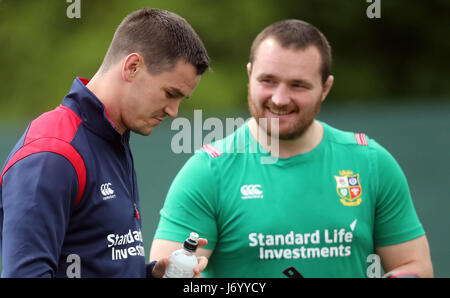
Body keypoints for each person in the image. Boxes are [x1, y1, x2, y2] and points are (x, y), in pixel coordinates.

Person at [150, 19, 433, 278]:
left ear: (325, 88)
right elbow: (165, 272)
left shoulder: (370, 162)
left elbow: (413, 266)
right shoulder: (208, 171)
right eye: (268, 81)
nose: (280, 98)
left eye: (298, 85)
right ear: (249, 76)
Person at [0, 8, 210, 278]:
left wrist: (153, 275)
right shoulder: (52, 154)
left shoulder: (113, 137)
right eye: (170, 93)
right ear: (132, 67)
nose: (173, 111)